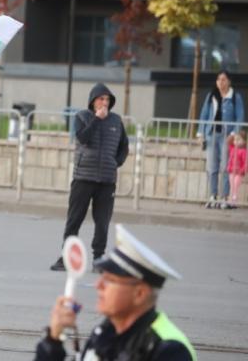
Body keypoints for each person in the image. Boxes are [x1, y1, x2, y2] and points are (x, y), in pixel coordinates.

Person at [35, 224, 195, 361]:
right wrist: (54, 338)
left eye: (109, 280)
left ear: (139, 294)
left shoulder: (169, 350)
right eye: (101, 278)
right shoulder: (105, 332)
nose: (99, 286)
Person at [51, 83, 129, 271]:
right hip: (83, 178)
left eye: (107, 99)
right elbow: (83, 138)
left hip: (106, 181)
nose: (105, 103)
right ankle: (66, 257)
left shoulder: (116, 121)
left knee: (102, 222)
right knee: (74, 219)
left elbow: (124, 147)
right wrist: (96, 119)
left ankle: (99, 259)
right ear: (93, 101)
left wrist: (115, 162)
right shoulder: (82, 117)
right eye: (101, 99)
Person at [198, 70, 244, 209]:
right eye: (218, 79)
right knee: (211, 167)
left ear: (229, 81)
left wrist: (234, 134)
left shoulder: (235, 97)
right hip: (212, 134)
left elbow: (240, 117)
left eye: (223, 79)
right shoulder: (211, 96)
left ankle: (225, 196)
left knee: (225, 167)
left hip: (227, 137)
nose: (221, 82)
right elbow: (204, 115)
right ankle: (212, 195)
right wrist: (200, 134)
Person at [226, 130, 246, 208]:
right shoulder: (232, 148)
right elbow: (228, 141)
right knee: (232, 185)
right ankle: (231, 200)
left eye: (239, 140)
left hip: (239, 172)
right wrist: (232, 135)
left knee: (236, 184)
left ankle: (234, 199)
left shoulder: (243, 151)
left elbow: (245, 162)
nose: (236, 142)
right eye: (235, 140)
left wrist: (243, 170)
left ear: (244, 141)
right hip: (231, 171)